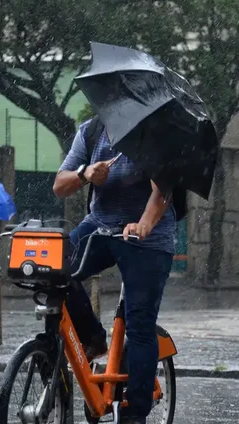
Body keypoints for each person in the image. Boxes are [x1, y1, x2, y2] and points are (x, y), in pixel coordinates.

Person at [53, 119, 175, 424]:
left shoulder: (153, 132)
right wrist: (85, 174)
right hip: (99, 226)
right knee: (53, 270)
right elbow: (59, 186)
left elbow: (162, 191)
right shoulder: (91, 132)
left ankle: (134, 413)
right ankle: (93, 337)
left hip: (147, 239)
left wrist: (144, 224)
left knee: (139, 324)